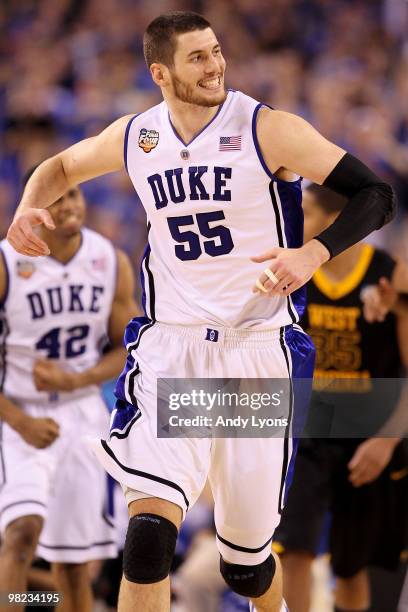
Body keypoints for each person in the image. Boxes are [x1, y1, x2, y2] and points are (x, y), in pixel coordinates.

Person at [5, 11, 395, 612]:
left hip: (256, 352)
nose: (214, 65)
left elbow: (377, 193)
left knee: (244, 565)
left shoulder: (269, 128)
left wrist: (311, 254)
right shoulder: (140, 136)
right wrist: (28, 207)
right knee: (148, 538)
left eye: (216, 51)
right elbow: (58, 167)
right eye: (198, 57)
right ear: (160, 73)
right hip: (173, 348)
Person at [0, 176, 137, 612]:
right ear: (33, 208)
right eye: (55, 200)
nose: (67, 206)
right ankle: (14, 602)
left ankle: (38, 600)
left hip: (80, 414)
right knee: (21, 535)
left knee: (76, 568)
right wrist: (20, 421)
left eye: (73, 195)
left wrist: (77, 381)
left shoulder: (109, 261)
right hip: (17, 413)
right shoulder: (6, 264)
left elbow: (126, 347)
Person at [274, 183, 408, 612]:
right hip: (306, 432)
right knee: (294, 552)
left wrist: (386, 441)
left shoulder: (389, 274)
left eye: (307, 213)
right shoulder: (290, 273)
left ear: (334, 221)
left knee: (352, 567)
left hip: (367, 437)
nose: (298, 222)